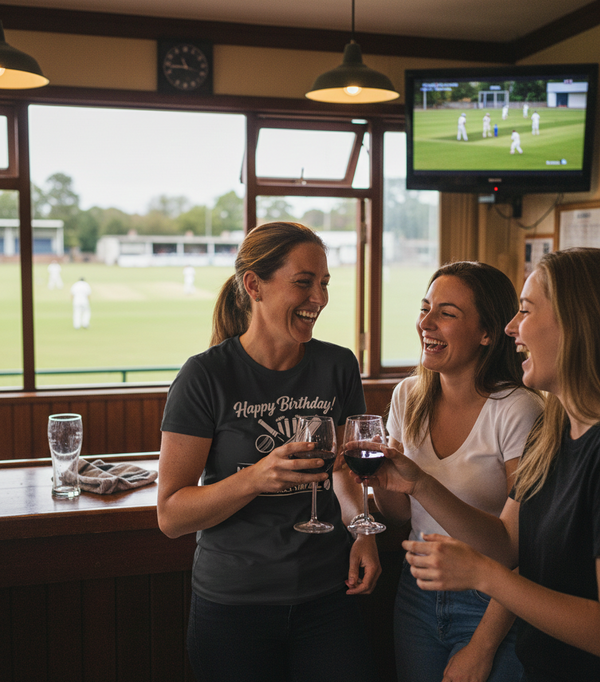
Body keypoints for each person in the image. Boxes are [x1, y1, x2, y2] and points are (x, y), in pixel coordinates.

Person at [158, 221, 381, 682]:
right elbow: (172, 515)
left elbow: (341, 470)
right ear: (254, 285)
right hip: (234, 608)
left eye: (324, 284)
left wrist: (363, 532)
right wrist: (256, 477)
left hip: (329, 597)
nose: (318, 298)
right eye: (304, 282)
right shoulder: (205, 377)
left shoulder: (338, 365)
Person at [387, 249, 600, 681]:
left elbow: (497, 563)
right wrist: (417, 484)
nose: (512, 328)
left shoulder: (534, 419)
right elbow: (506, 543)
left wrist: (485, 577)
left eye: (525, 311)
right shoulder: (555, 433)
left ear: (576, 324)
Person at [367, 261, 543, 682]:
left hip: (491, 604)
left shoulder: (518, 410)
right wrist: (376, 478)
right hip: (417, 593)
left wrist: (482, 648)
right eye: (425, 308)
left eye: (446, 313)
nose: (426, 322)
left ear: (488, 332)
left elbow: (519, 551)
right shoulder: (407, 395)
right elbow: (401, 515)